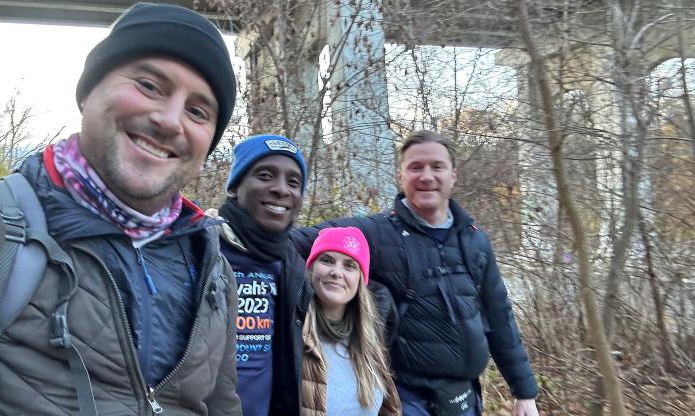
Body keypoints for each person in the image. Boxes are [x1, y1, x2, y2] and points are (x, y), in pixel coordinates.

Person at [0, 3, 241, 415]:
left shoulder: (213, 272)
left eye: (198, 111)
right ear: (88, 90)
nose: (169, 120)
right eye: (149, 85)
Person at [292, 130, 539, 416]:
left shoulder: (474, 240)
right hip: (408, 398)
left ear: (453, 175)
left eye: (437, 167)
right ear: (400, 176)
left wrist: (524, 392)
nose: (426, 176)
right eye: (415, 167)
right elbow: (293, 243)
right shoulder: (377, 231)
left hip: (465, 398)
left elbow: (499, 315)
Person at [205, 134, 312, 416]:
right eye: (265, 175)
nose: (281, 189)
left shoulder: (292, 266)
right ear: (234, 187)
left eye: (293, 182)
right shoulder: (200, 249)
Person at [301, 227, 401, 416]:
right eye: (327, 260)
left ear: (360, 279)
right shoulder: (294, 334)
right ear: (311, 269)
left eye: (349, 265)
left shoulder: (370, 341)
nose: (336, 272)